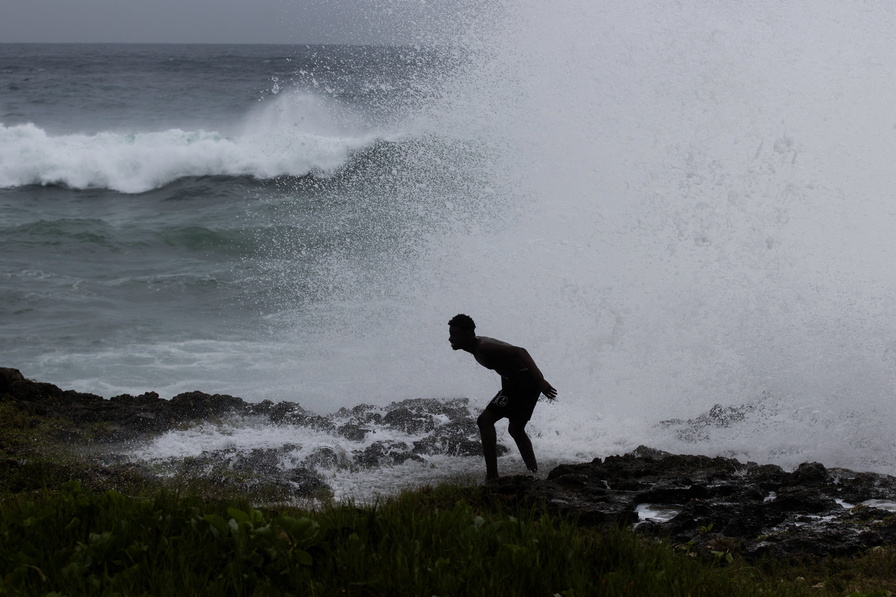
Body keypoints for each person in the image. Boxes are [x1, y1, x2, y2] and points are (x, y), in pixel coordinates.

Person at [448, 313, 557, 480]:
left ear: (468, 334)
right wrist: (505, 390)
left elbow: (520, 352)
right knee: (516, 429)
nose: (450, 339)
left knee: (485, 420)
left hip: (525, 380)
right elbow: (505, 366)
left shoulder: (483, 347)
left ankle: (492, 477)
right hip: (520, 382)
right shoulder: (477, 348)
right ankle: (534, 473)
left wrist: (541, 381)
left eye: (454, 335)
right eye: (450, 334)